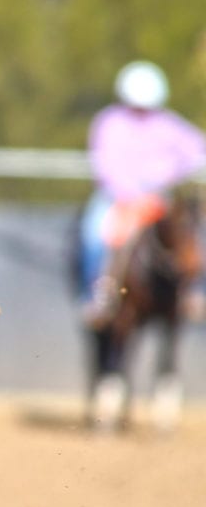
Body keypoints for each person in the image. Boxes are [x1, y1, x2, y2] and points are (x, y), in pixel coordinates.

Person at [80, 60, 206, 326]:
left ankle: (191, 293)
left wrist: (169, 172)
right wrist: (130, 193)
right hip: (117, 199)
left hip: (157, 199)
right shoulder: (109, 123)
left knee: (189, 235)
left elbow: (198, 150)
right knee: (93, 236)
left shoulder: (166, 124)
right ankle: (98, 296)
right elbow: (105, 165)